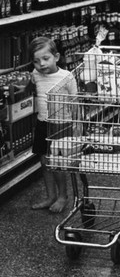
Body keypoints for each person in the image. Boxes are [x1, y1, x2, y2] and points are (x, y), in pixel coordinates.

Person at [29, 36, 77, 213]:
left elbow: (75, 102)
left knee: (57, 162)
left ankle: (63, 196)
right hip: (43, 122)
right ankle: (50, 196)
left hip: (61, 124)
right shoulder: (35, 74)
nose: (41, 64)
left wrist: (78, 125)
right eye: (36, 61)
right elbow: (33, 88)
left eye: (45, 58)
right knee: (44, 161)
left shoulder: (66, 76)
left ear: (56, 57)